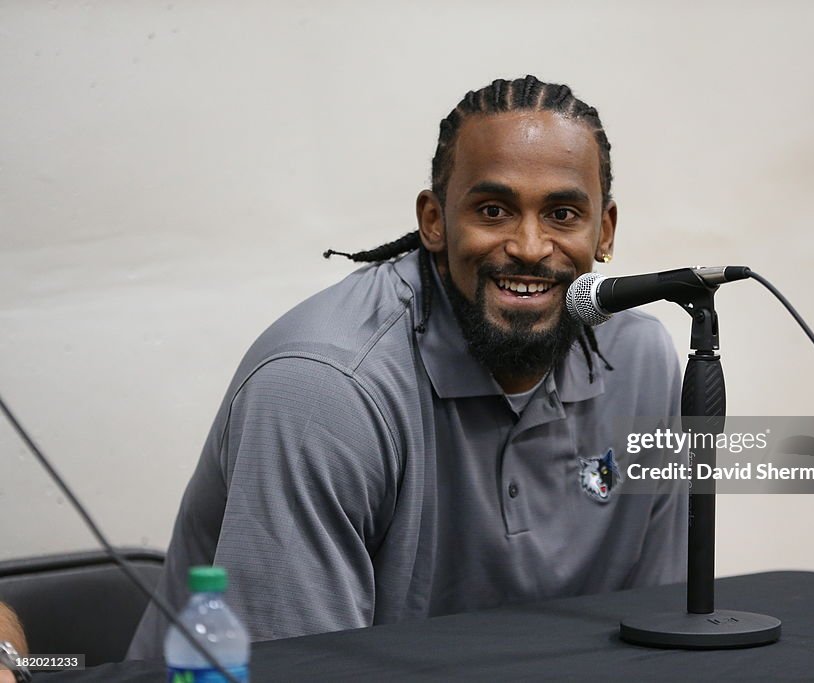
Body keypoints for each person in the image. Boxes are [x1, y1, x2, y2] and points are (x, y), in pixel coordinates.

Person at [128, 75, 686, 659]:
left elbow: (659, 635)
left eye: (562, 213)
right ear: (434, 221)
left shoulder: (642, 362)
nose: (528, 245)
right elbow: (305, 674)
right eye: (493, 210)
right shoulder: (323, 390)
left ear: (605, 231)